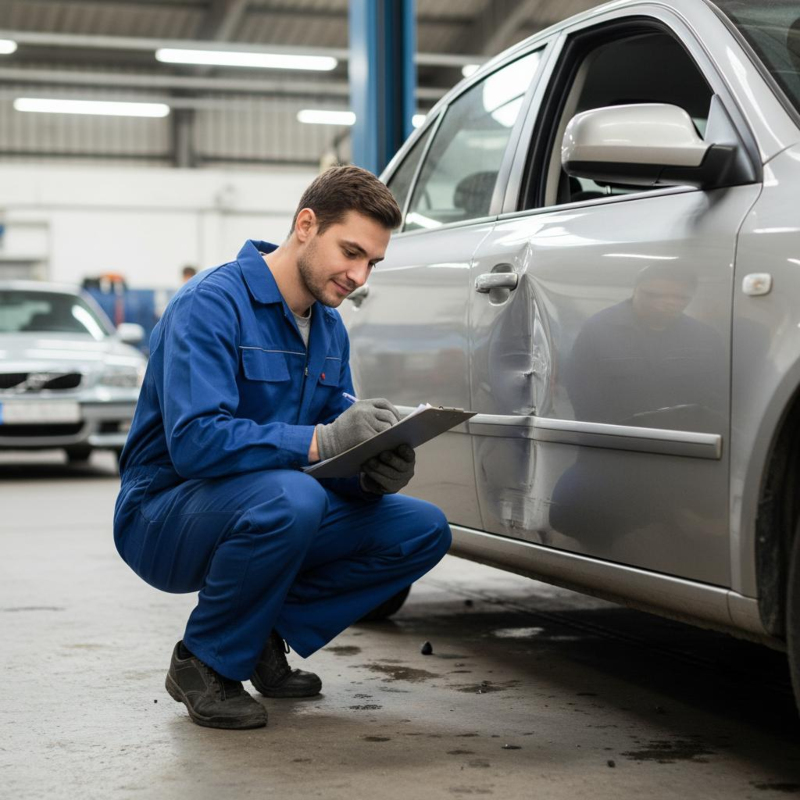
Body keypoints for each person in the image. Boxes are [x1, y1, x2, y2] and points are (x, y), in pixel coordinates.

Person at [113, 166, 452, 730]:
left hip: (272, 502)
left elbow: (326, 461)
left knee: (422, 528)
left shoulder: (329, 329)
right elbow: (196, 444)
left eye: (372, 262)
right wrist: (324, 440)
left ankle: (262, 633)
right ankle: (204, 662)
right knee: (291, 496)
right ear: (305, 225)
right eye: (351, 251)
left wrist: (368, 470)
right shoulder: (210, 305)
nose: (360, 275)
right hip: (163, 512)